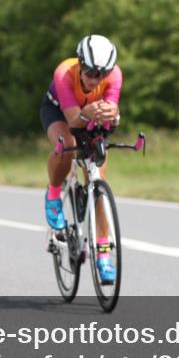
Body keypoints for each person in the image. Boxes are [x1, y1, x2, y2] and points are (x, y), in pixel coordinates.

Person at [40, 35, 123, 283]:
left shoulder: (116, 75)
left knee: (99, 171)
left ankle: (104, 255)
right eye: (90, 72)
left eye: (102, 74)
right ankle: (54, 192)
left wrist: (114, 116)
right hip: (59, 111)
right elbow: (74, 120)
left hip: (89, 115)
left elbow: (109, 120)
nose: (96, 79)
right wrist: (89, 113)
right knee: (67, 146)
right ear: (80, 64)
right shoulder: (64, 73)